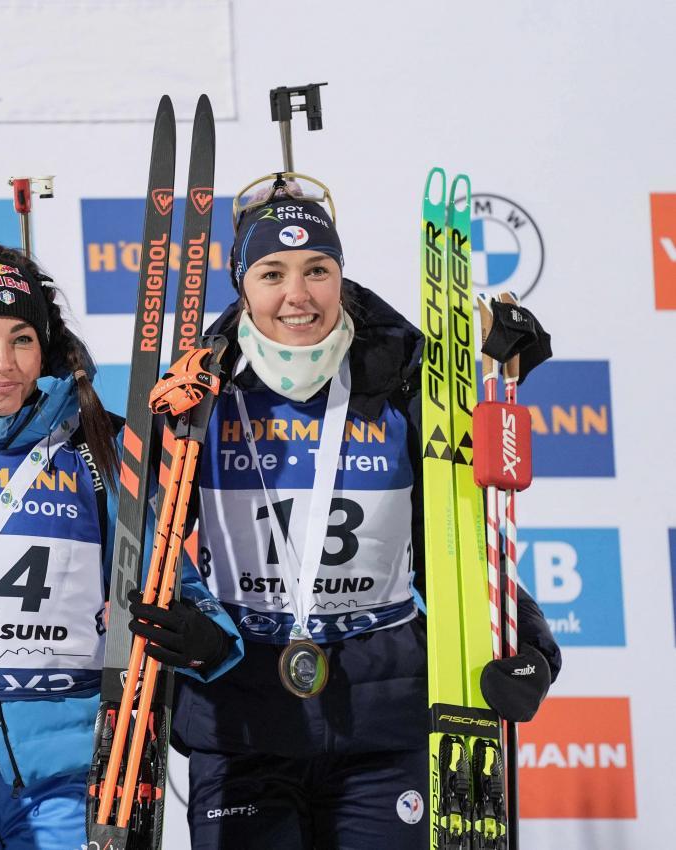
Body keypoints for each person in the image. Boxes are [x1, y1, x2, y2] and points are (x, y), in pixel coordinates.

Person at [168, 179, 562, 849]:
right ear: (240, 283)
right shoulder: (192, 393)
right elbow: (146, 544)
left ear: (339, 276)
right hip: (242, 717)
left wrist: (530, 649)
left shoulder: (402, 381)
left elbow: (457, 537)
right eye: (273, 273)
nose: (298, 293)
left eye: (317, 269)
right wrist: (194, 630)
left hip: (383, 713)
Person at [0, 240, 243, 849]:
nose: (4, 362)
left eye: (22, 338)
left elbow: (174, 583)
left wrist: (205, 636)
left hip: (74, 775)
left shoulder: (97, 448)